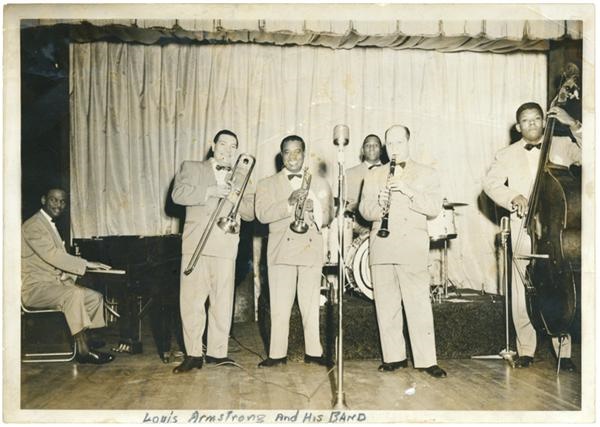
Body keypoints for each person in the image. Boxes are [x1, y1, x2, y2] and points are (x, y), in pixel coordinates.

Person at [483, 102, 581, 371]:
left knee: (559, 288)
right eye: (526, 121)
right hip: (523, 228)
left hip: (555, 232)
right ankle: (525, 349)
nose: (532, 124)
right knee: (522, 289)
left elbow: (593, 154)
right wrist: (511, 196)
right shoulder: (506, 154)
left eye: (537, 119)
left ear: (544, 121)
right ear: (518, 127)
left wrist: (574, 125)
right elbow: (490, 184)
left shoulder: (562, 144)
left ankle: (563, 351)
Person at [359, 125, 446, 378]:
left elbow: (433, 208)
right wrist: (379, 204)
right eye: (390, 143)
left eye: (399, 142)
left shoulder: (427, 173)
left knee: (418, 304)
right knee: (386, 305)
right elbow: (364, 210)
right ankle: (393, 357)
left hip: (411, 247)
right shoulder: (374, 175)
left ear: (409, 142)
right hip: (382, 245)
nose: (394, 147)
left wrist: (407, 190)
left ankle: (426, 360)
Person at [171, 129, 255, 373]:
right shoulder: (192, 167)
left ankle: (218, 353)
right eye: (223, 144)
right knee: (191, 302)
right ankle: (194, 354)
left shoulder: (243, 176)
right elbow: (177, 195)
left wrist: (236, 196)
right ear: (212, 145)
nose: (228, 150)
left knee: (222, 302)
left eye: (233, 146)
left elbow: (250, 212)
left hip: (226, 246)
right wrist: (208, 191)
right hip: (196, 244)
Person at [255, 135, 333, 367]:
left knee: (310, 305)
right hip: (281, 252)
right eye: (287, 152)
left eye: (297, 152)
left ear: (304, 153)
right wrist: (289, 203)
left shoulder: (319, 182)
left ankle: (314, 353)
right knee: (280, 306)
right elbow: (262, 215)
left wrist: (315, 208)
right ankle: (277, 354)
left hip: (310, 249)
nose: (293, 157)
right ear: (281, 156)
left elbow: (328, 217)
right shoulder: (266, 184)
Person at [21, 188, 115, 364]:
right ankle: (83, 350)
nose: (58, 205)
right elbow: (52, 255)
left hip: (52, 285)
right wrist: (86, 264)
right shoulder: (33, 226)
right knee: (74, 294)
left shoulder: (47, 224)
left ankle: (88, 338)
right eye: (53, 200)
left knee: (95, 297)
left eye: (62, 201)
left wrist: (69, 275)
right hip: (35, 289)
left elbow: (54, 259)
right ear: (43, 200)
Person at [345, 134, 383, 234]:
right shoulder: (349, 174)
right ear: (362, 150)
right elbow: (345, 207)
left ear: (382, 150)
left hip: (382, 230)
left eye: (375, 145)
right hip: (357, 231)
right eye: (367, 145)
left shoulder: (391, 172)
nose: (371, 148)